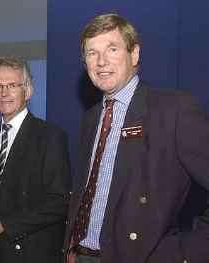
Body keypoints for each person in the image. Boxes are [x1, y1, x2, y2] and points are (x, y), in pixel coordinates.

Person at [65, 13, 209, 263]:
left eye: (112, 49)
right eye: (91, 53)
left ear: (134, 54)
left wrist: (187, 252)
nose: (101, 62)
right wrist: (72, 247)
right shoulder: (91, 118)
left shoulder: (173, 110)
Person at [0, 56, 71, 263]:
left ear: (28, 91)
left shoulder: (50, 136)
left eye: (12, 85)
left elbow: (60, 202)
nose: (4, 93)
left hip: (29, 252)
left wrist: (5, 224)